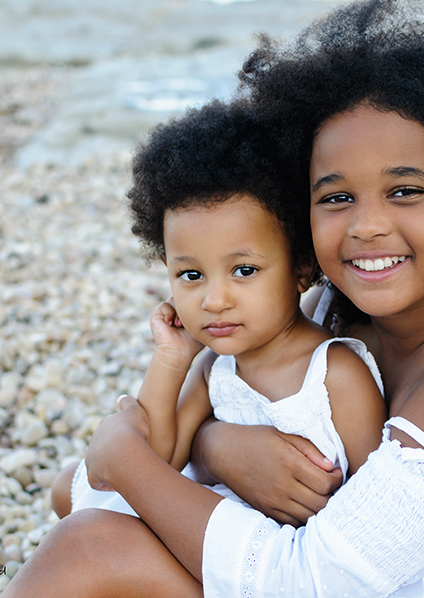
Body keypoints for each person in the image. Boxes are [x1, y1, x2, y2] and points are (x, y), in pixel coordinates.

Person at [2, 1, 424, 596]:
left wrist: (123, 458)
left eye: (406, 191)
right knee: (72, 495)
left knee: (92, 544)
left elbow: (312, 582)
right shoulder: (337, 308)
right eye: (336, 197)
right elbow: (119, 475)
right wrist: (220, 447)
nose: (366, 226)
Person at [52, 100, 386, 521]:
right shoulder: (213, 367)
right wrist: (171, 360)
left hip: (280, 554)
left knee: (87, 524)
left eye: (244, 270)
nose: (214, 300)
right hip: (211, 517)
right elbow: (158, 460)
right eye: (191, 275)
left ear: (302, 270)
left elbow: (377, 500)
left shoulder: (334, 374)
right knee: (66, 490)